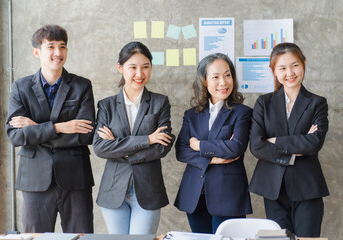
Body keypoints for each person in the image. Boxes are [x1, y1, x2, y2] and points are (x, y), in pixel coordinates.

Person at [6, 25, 95, 233]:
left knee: (80, 237)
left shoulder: (82, 86)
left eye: (63, 47)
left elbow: (86, 134)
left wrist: (35, 129)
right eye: (51, 47)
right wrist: (61, 127)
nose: (58, 53)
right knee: (34, 237)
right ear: (37, 52)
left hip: (75, 178)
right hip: (35, 179)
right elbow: (15, 135)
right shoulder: (21, 87)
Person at [93, 41, 175, 234]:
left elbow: (163, 146)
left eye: (145, 67)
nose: (139, 74)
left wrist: (120, 148)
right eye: (133, 67)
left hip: (148, 190)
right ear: (120, 68)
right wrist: (146, 140)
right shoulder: (106, 105)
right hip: (113, 191)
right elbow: (99, 147)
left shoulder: (160, 102)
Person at [249, 42, 329, 237]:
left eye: (295, 65)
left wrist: (275, 141)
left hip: (307, 188)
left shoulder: (317, 103)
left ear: (303, 64)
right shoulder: (264, 103)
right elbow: (257, 146)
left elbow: (314, 143)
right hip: (273, 187)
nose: (290, 73)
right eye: (282, 68)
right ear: (274, 71)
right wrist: (296, 147)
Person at [174, 53, 252, 234]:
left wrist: (200, 146)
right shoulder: (191, 114)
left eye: (227, 75)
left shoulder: (242, 112)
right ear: (204, 81)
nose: (223, 82)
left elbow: (236, 148)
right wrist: (213, 159)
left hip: (228, 195)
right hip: (194, 195)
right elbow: (181, 151)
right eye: (215, 77)